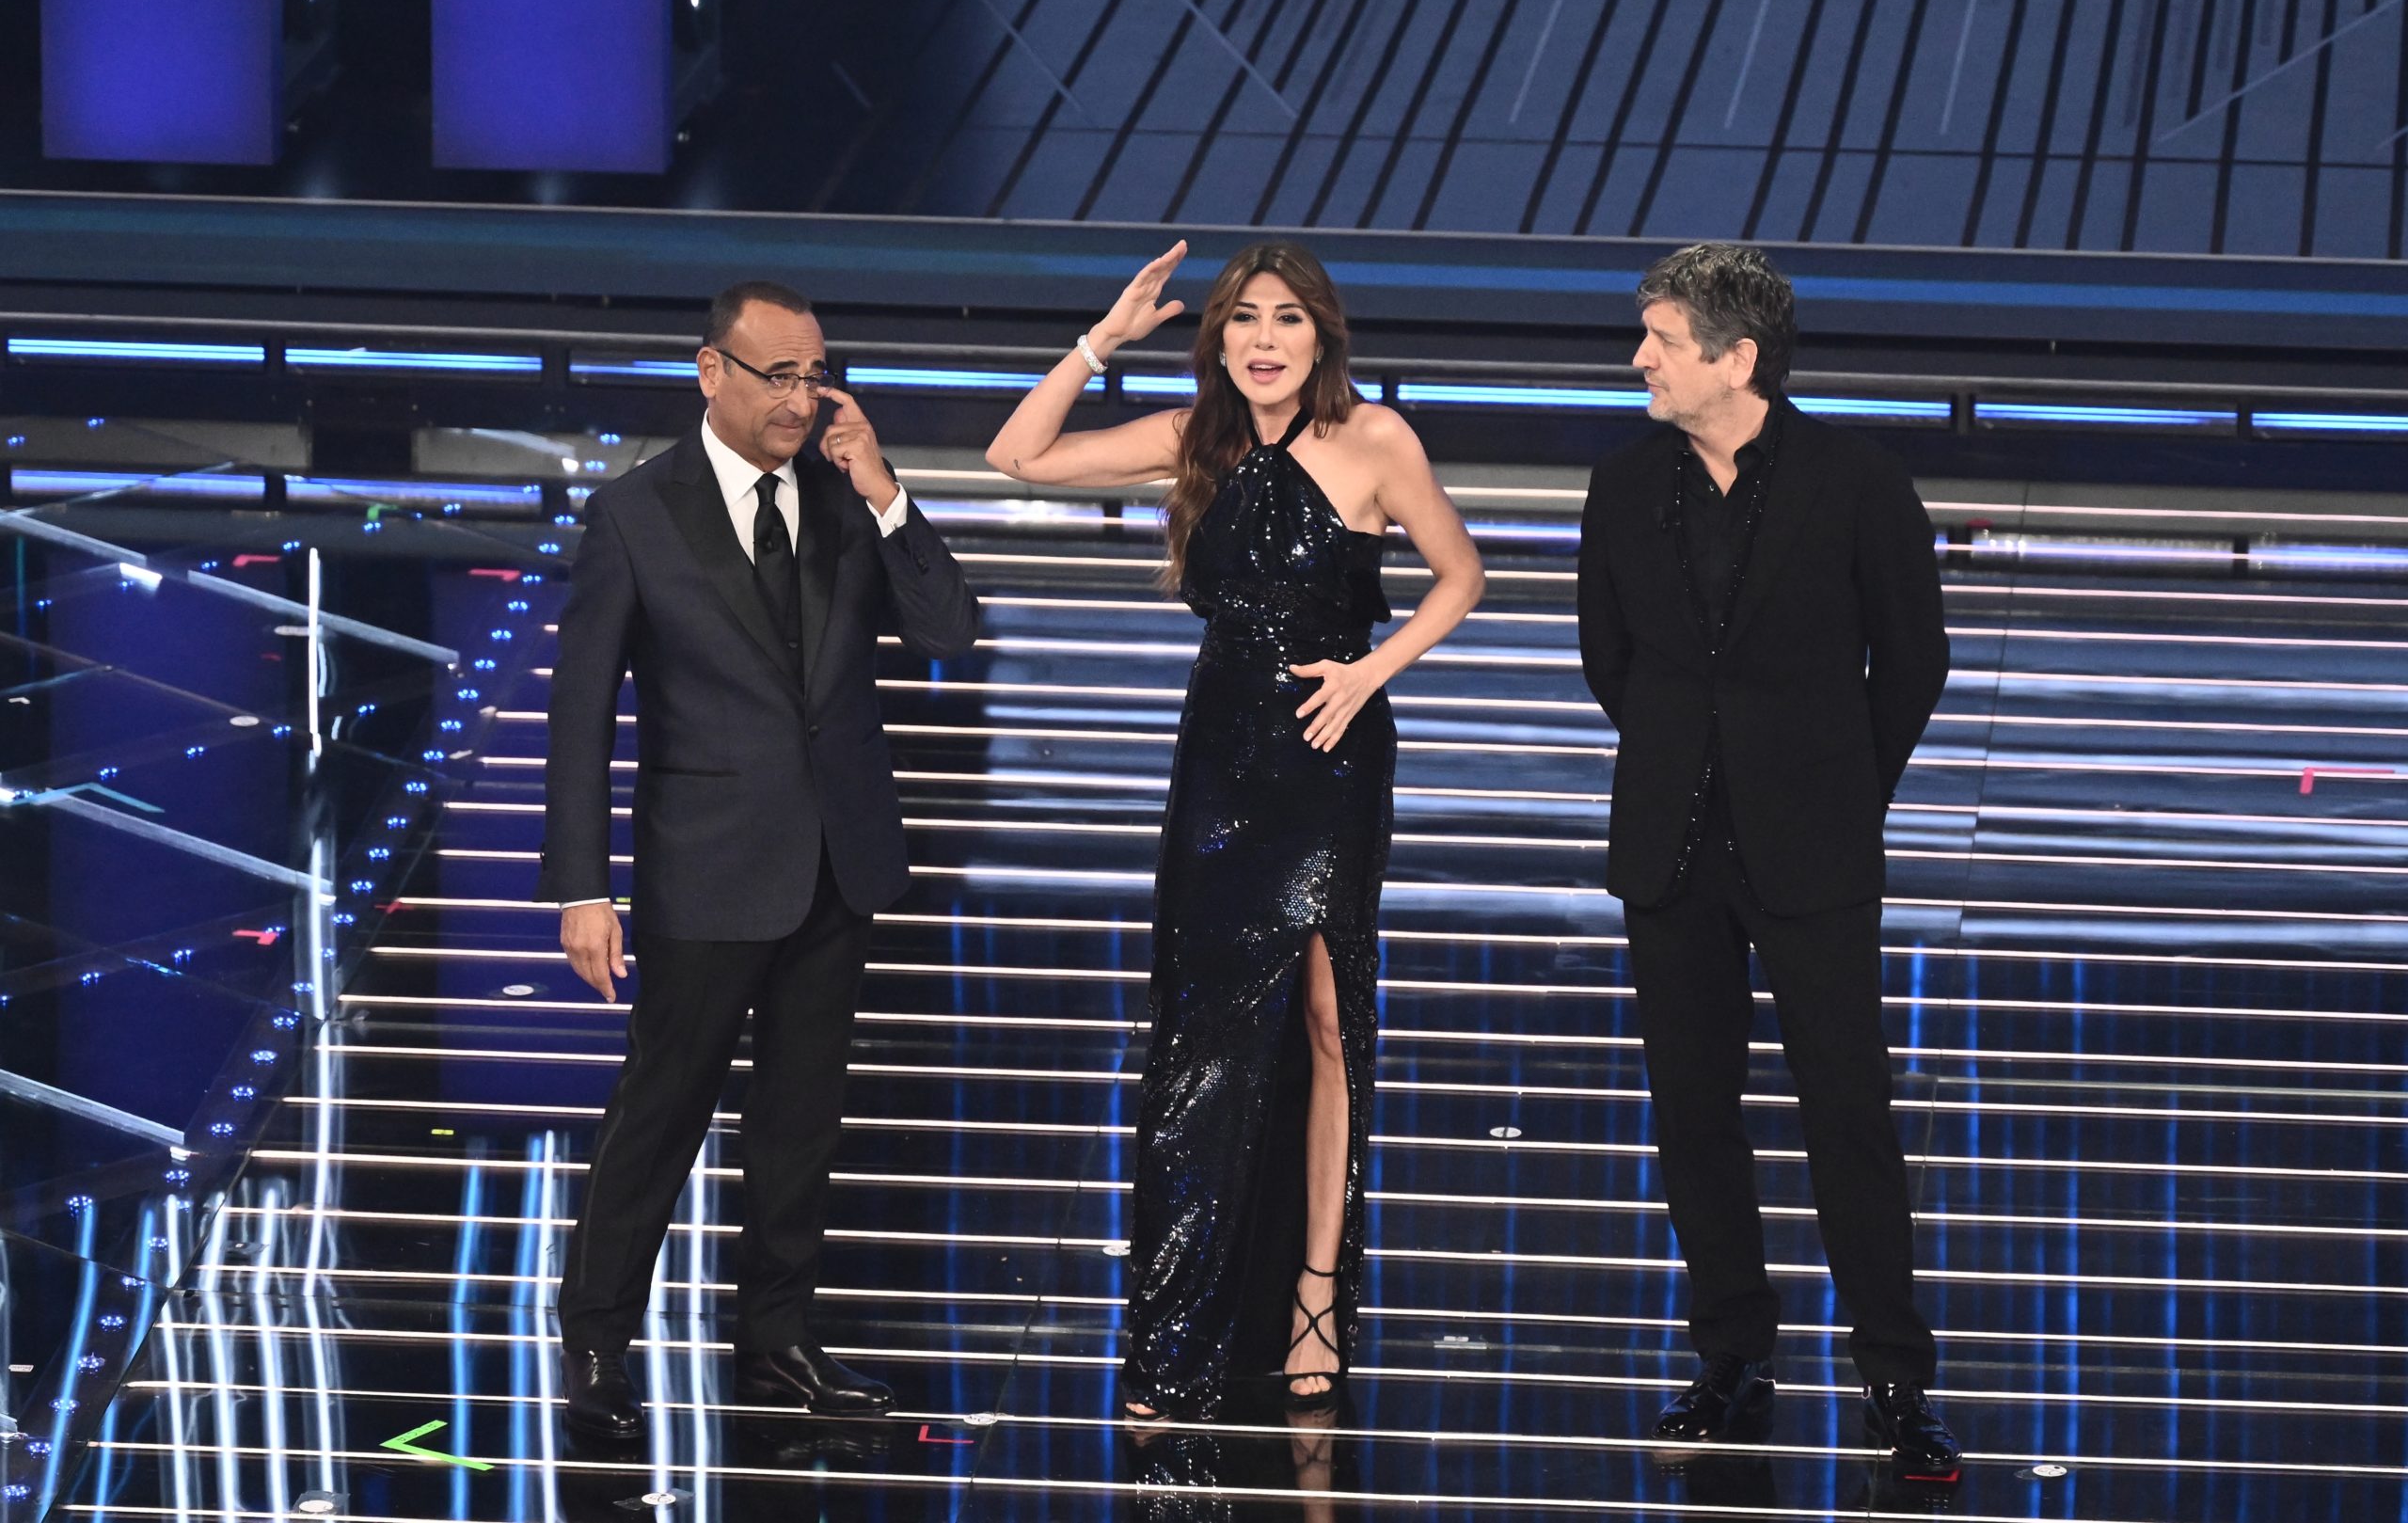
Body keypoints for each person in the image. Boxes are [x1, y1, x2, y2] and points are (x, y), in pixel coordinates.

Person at [985, 240, 1483, 1420]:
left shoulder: (1377, 443)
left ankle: (1315, 1294)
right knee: (1198, 1040)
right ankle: (1173, 1331)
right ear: (1217, 338)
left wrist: (1371, 673)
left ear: (1323, 336)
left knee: (1322, 1020)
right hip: (1219, 759)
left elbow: (1459, 574)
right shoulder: (1191, 435)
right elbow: (1017, 456)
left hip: (1329, 753)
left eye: (1287, 320)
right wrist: (1099, 341)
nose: (1264, 340)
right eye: (1243, 320)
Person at [539, 280, 981, 1441]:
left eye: (815, 373)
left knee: (801, 1120)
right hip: (704, 867)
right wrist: (583, 885)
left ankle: (779, 1343)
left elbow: (948, 632)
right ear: (710, 372)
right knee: (662, 1108)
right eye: (777, 375)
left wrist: (885, 492)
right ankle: (595, 1343)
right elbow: (581, 709)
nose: (802, 398)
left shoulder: (844, 498)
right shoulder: (637, 513)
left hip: (839, 861)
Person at [1575, 244, 1959, 1479]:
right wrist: (1691, 754)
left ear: (1734, 360)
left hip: (1814, 848)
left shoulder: (1857, 479)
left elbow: (1913, 663)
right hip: (1669, 847)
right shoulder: (1621, 484)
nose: (1639, 357)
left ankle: (1895, 1381)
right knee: (1695, 1117)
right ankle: (1731, 1357)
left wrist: (1841, 789)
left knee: (1849, 1118)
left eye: (1660, 339)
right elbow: (1611, 663)